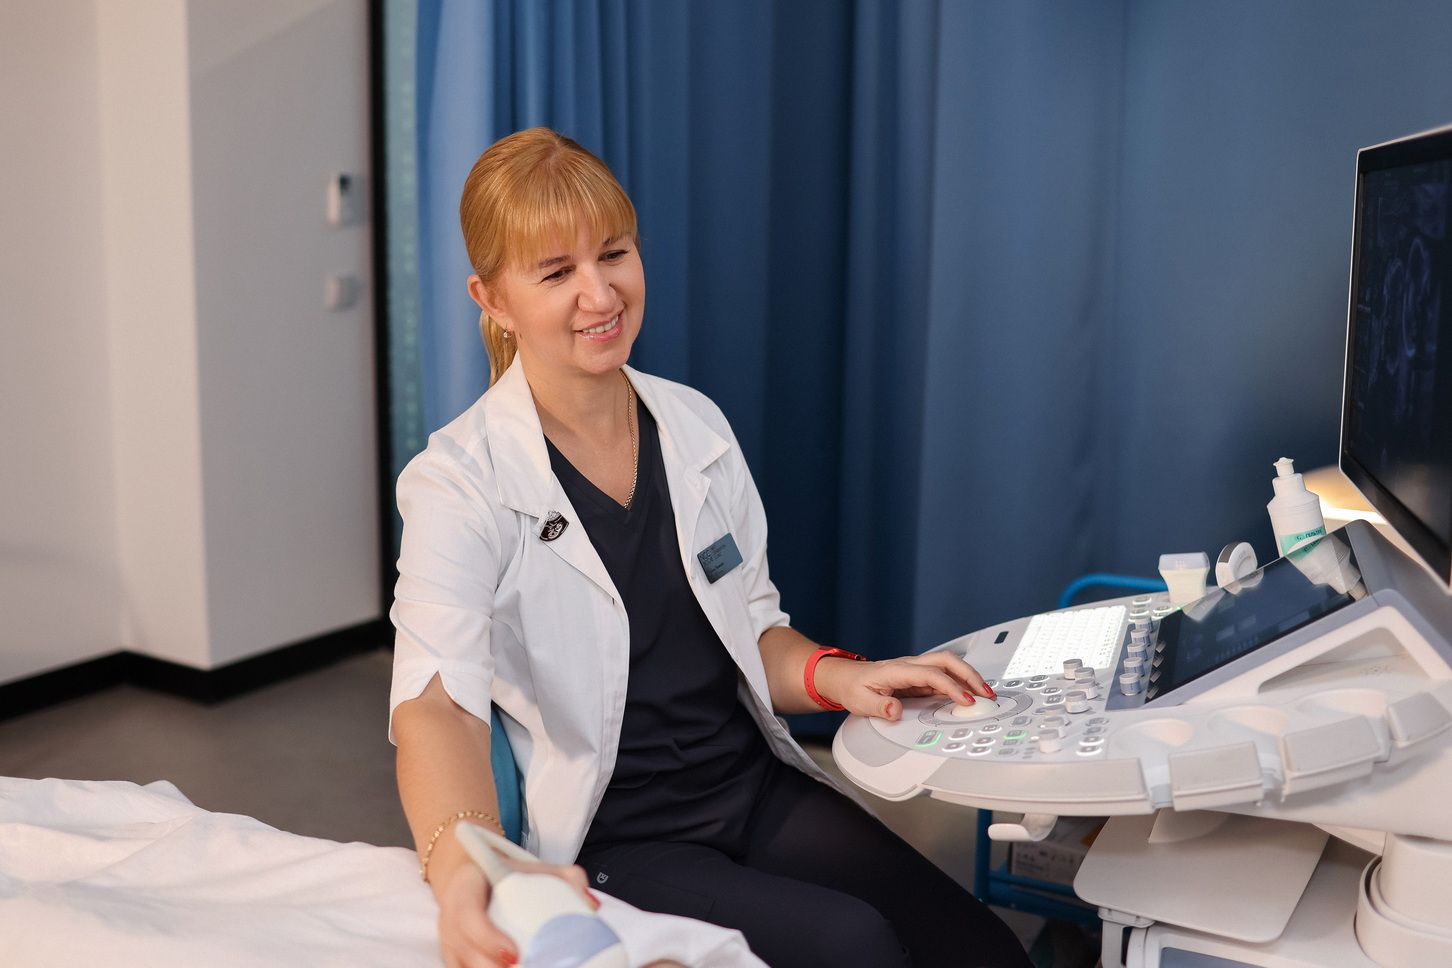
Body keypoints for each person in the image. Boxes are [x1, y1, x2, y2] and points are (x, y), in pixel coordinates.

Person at [390, 127, 1032, 968]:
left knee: (980, 948)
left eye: (613, 253)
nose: (600, 293)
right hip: (618, 836)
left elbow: (752, 627)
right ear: (494, 300)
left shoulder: (694, 427)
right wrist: (467, 863)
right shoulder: (458, 483)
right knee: (857, 947)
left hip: (748, 787)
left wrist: (846, 677)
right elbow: (435, 706)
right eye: (556, 273)